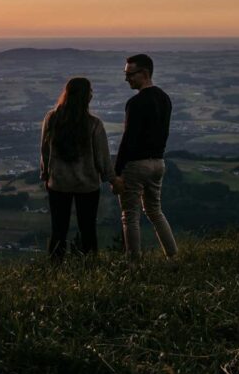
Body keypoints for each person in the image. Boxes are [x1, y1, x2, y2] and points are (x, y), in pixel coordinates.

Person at [40, 77, 116, 262]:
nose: (92, 94)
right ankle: (90, 266)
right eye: (90, 91)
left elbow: (45, 150)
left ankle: (55, 268)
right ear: (86, 96)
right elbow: (102, 156)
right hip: (87, 184)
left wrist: (45, 175)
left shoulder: (52, 118)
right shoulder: (94, 124)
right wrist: (111, 178)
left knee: (58, 229)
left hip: (58, 183)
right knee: (88, 228)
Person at [111, 53, 178, 260]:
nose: (126, 79)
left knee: (130, 215)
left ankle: (134, 263)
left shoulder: (135, 103)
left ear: (145, 73)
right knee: (155, 211)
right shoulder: (164, 98)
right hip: (158, 162)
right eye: (125, 74)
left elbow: (128, 139)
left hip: (136, 165)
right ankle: (173, 256)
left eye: (130, 74)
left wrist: (117, 173)